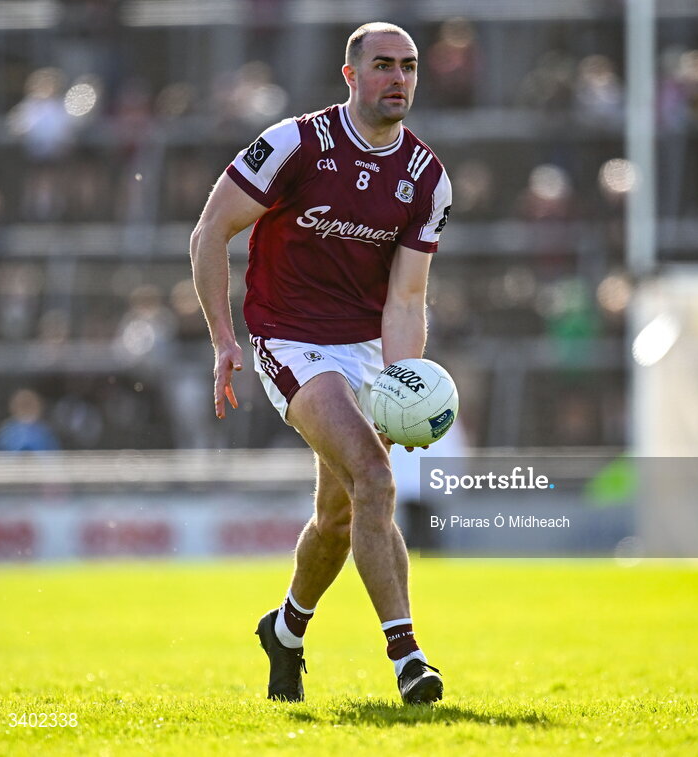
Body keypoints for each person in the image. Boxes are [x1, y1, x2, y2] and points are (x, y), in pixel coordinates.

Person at [190, 22, 451, 705]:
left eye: (410, 67)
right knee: (374, 474)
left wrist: (402, 383)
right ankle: (407, 656)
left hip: (363, 349)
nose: (398, 78)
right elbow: (210, 230)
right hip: (288, 338)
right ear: (351, 75)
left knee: (341, 516)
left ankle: (286, 628)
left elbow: (407, 297)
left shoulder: (425, 177)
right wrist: (223, 337)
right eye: (384, 65)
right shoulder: (294, 143)